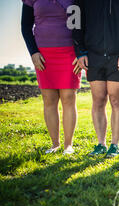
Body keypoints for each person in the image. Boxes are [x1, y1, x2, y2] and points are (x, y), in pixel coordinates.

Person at [21, 0, 81, 155]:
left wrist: (80, 52)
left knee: (68, 97)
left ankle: (68, 145)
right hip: (43, 54)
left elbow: (82, 24)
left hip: (69, 52)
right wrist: (33, 52)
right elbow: (26, 27)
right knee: (49, 99)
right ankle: (55, 144)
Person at [73, 0, 119, 158]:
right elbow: (76, 25)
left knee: (116, 100)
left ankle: (115, 145)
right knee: (98, 100)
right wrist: (80, 52)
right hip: (93, 56)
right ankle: (101, 144)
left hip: (118, 57)